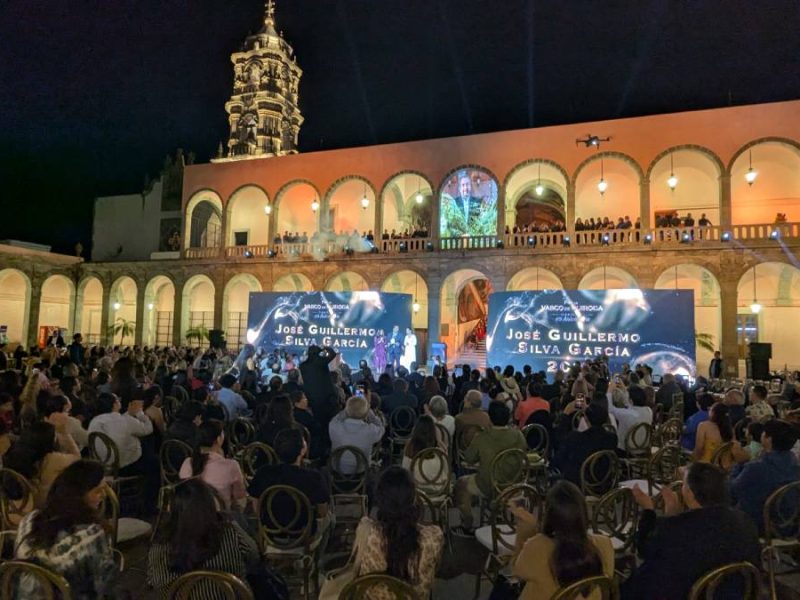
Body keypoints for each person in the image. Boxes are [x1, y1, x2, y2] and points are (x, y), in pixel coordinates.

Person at [624, 462, 760, 599]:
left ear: (689, 492)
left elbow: (644, 550)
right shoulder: (744, 520)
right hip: (738, 593)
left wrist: (649, 511)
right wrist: (673, 517)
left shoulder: (675, 528)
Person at [147, 479, 271, 598]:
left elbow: (156, 583)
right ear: (210, 504)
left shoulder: (159, 548)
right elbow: (254, 557)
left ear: (173, 510)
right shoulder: (231, 533)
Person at [14, 460, 117, 599]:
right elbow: (104, 585)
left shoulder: (29, 520)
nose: (103, 495)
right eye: (98, 491)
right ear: (78, 495)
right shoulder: (91, 534)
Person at [510, 481, 613, 600]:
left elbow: (517, 572)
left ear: (548, 515)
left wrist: (525, 533)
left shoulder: (538, 547)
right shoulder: (604, 544)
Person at [352, 466, 443, 599]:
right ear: (413, 499)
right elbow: (436, 567)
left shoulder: (366, 531)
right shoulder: (434, 537)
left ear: (380, 501)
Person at [453, 402, 527, 533]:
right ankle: (498, 512)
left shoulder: (482, 437)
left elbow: (469, 458)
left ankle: (467, 521)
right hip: (513, 484)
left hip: (487, 485)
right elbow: (523, 455)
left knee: (460, 484)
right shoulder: (518, 435)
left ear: (490, 418)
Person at [247, 428, 330, 534]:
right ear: (302, 450)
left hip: (270, 531)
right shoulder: (313, 477)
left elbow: (256, 507)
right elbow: (322, 512)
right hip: (303, 533)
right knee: (330, 518)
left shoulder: (263, 473)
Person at [87, 392, 159, 512]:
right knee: (155, 463)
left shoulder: (95, 421)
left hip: (102, 465)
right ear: (115, 405)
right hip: (124, 466)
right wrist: (139, 413)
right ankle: (149, 505)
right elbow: (148, 429)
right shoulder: (125, 421)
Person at [730, 419, 800, 529]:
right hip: (792, 525)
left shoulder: (757, 467)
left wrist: (739, 464)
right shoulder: (795, 464)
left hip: (765, 525)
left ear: (768, 438)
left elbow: (733, 490)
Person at [4, 420, 79, 508]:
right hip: (44, 505)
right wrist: (65, 433)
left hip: (17, 505)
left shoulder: (14, 454)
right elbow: (77, 458)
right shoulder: (52, 459)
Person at [179, 420, 246, 511]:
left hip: (191, 517)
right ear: (218, 439)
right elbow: (239, 496)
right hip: (220, 519)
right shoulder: (231, 466)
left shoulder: (187, 463)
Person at [552, 402, 617, 486]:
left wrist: (565, 414)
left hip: (579, 484)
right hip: (604, 483)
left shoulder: (576, 438)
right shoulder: (612, 438)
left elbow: (560, 439)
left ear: (586, 419)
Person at [329, 395, 385, 473]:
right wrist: (370, 414)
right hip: (361, 472)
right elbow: (381, 427)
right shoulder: (370, 431)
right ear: (366, 413)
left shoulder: (334, 426)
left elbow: (338, 417)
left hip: (336, 470)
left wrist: (349, 409)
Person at [608, 383, 652, 452]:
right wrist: (625, 390)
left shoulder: (626, 414)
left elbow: (610, 408)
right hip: (643, 448)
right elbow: (630, 404)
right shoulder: (649, 410)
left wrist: (609, 390)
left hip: (625, 451)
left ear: (631, 400)